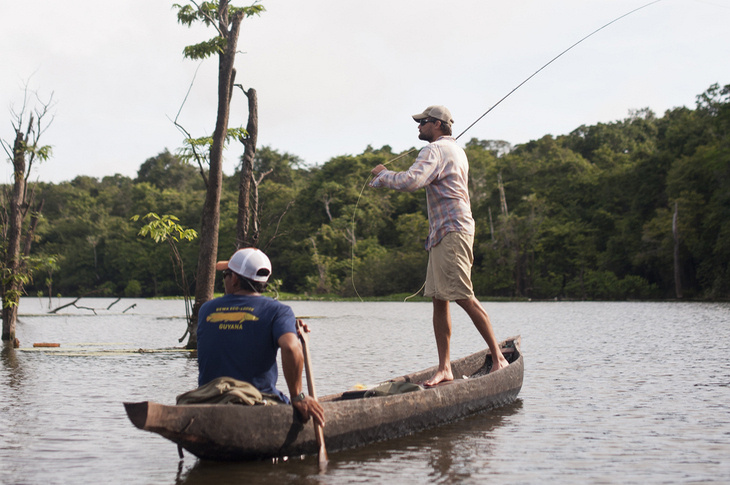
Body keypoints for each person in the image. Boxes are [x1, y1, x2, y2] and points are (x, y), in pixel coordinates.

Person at [370, 105, 510, 386]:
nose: (418, 126)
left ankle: (499, 358)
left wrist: (383, 175)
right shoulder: (456, 150)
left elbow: (413, 180)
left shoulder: (434, 151)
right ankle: (445, 368)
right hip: (442, 233)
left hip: (452, 231)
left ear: (436, 124)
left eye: (422, 122)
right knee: (439, 298)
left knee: (462, 294)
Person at [196, 247, 325, 426]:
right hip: (257, 401)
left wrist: (285, 329)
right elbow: (290, 347)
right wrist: (298, 396)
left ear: (234, 279)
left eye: (225, 274)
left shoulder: (206, 310)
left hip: (208, 400)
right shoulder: (278, 311)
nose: (224, 279)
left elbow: (235, 335)